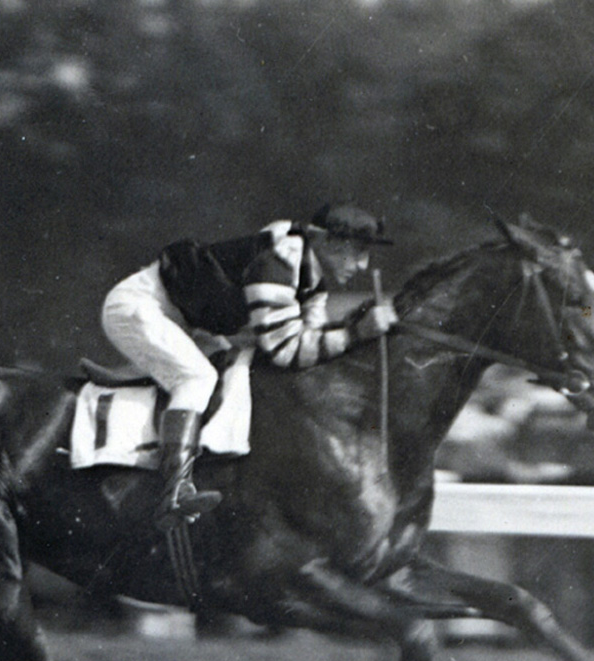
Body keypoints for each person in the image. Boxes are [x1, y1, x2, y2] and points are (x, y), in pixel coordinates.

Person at [102, 202, 398, 532]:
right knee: (197, 377)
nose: (362, 265)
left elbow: (316, 342)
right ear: (328, 242)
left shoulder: (312, 283)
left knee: (233, 370)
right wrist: (357, 332)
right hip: (138, 307)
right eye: (358, 251)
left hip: (187, 323)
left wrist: (358, 328)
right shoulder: (278, 264)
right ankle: (174, 489)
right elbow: (286, 351)